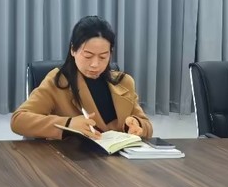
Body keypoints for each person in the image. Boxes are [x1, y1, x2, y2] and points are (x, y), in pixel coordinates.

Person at [11, 15, 153, 140]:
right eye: (88, 56)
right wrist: (68, 124)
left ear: (110, 53)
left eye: (103, 57)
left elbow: (146, 125)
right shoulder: (58, 81)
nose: (95, 64)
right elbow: (18, 120)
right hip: (74, 159)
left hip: (118, 159)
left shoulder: (124, 82)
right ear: (73, 50)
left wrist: (137, 125)